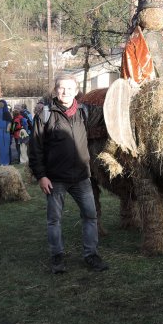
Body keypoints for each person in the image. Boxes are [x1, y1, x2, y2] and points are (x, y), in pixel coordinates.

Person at [28, 75, 108, 273]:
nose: (65, 92)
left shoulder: (85, 111)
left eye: (70, 88)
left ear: (76, 90)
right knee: (54, 220)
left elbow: (110, 110)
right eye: (61, 88)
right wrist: (41, 176)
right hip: (55, 179)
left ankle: (91, 255)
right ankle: (57, 258)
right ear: (55, 90)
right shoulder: (45, 114)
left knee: (90, 216)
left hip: (82, 177)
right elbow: (35, 148)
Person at [121, 0, 163, 85]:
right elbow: (131, 76)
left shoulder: (162, 39)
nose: (156, 17)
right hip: (146, 89)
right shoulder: (134, 42)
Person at [0, 99, 13, 166]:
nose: (0, 105)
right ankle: (2, 162)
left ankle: (6, 162)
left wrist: (8, 128)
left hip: (5, 131)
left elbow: (9, 121)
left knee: (6, 147)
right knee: (1, 147)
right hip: (0, 131)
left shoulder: (7, 113)